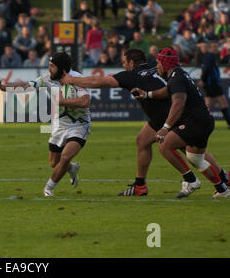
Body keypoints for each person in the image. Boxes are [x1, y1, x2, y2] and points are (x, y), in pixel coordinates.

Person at [60, 48, 230, 196]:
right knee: (143, 140)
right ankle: (140, 185)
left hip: (174, 118)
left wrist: (71, 80)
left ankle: (204, 179)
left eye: (124, 63)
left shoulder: (132, 76)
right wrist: (149, 95)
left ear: (132, 63)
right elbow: (167, 90)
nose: (123, 66)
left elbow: (100, 81)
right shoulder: (156, 69)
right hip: (164, 117)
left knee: (191, 152)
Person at [132, 47, 229, 198]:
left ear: (165, 63)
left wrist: (165, 128)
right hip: (205, 121)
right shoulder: (178, 75)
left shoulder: (176, 78)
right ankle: (223, 189)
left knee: (164, 145)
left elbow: (178, 102)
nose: (157, 66)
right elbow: (166, 91)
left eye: (158, 63)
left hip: (195, 122)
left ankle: (190, 180)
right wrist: (148, 94)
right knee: (196, 159)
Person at [0, 52, 91, 197]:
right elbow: (26, 86)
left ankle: (48, 189)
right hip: (59, 125)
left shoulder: (77, 79)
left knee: (64, 157)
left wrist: (63, 102)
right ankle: (72, 168)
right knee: (54, 163)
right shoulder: (46, 79)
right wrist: (3, 87)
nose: (49, 69)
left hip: (79, 125)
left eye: (52, 66)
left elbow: (85, 102)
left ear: (62, 69)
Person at [198, 45, 230, 129]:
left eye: (216, 46)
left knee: (208, 104)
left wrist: (203, 80)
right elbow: (207, 69)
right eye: (214, 47)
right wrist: (203, 80)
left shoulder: (210, 56)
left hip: (211, 83)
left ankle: (201, 122)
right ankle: (229, 123)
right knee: (223, 102)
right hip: (212, 83)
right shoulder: (210, 56)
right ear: (210, 48)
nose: (216, 48)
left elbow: (206, 69)